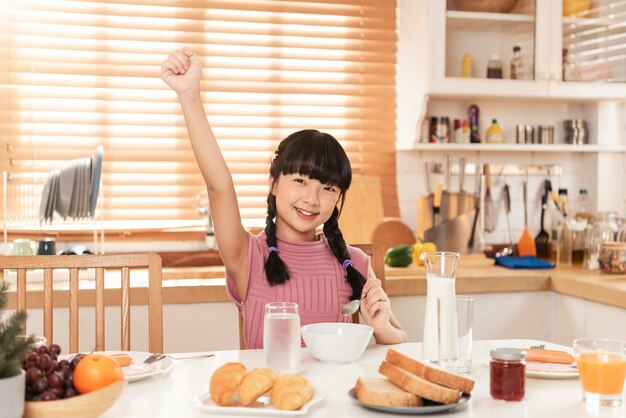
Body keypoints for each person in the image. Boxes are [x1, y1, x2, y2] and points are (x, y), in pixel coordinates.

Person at [161, 47, 407, 349]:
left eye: (328, 188)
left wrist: (381, 328)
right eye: (300, 180)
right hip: (268, 395)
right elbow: (219, 186)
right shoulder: (249, 257)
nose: (312, 198)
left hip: (335, 396)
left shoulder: (353, 262)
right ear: (273, 182)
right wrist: (189, 97)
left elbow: (400, 341)